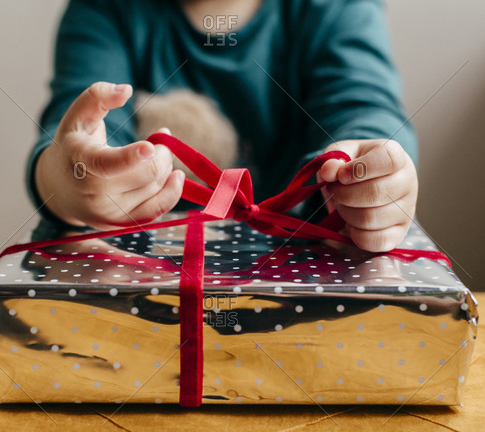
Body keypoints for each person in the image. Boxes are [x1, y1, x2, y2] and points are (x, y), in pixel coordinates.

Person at [28, 0, 418, 252]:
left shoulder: (337, 9)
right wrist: (67, 177)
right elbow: (75, 129)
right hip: (137, 302)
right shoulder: (101, 12)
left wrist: (371, 165)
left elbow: (365, 109)